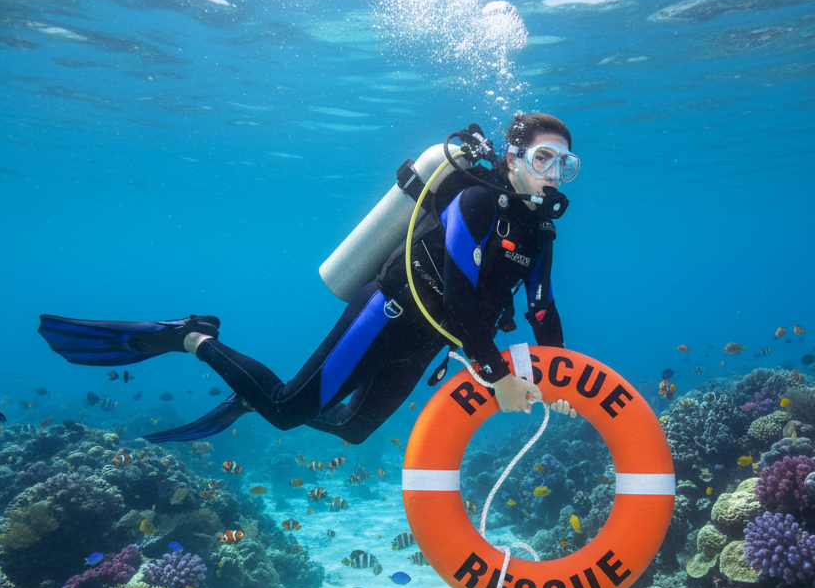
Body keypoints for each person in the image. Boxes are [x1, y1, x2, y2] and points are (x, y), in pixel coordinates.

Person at [38, 112, 580, 444]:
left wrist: (559, 376)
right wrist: (495, 373)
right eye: (542, 157)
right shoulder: (478, 200)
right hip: (389, 313)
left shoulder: (540, 233)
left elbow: (541, 310)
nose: (553, 174)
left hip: (432, 341)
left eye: (565, 164)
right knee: (288, 413)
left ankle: (252, 396)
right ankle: (191, 335)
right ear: (513, 157)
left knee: (353, 431)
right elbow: (461, 290)